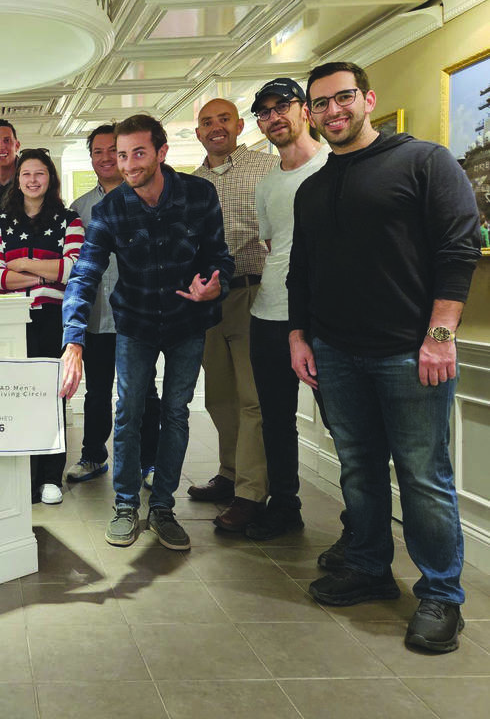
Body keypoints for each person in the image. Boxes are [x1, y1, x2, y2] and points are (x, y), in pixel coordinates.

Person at [290, 61, 481, 653]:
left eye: (342, 98)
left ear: (368, 98)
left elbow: (459, 246)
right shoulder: (314, 186)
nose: (333, 111)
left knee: (424, 477)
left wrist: (441, 334)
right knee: (359, 469)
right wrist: (299, 336)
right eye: (320, 104)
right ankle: (370, 567)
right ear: (311, 115)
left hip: (410, 352)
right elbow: (304, 271)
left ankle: (442, 595)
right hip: (336, 353)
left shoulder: (425, 161)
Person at [61, 114, 233, 550]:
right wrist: (74, 340)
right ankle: (124, 505)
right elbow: (83, 275)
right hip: (134, 325)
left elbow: (219, 256)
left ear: (161, 152)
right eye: (122, 155)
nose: (129, 163)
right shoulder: (110, 210)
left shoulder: (199, 195)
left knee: (175, 412)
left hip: (186, 324)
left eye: (139, 152)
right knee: (128, 410)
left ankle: (162, 508)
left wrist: (215, 283)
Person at [244, 78, 329, 540]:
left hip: (323, 321)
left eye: (282, 107)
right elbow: (276, 245)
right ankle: (285, 505)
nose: (274, 117)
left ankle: (360, 526)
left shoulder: (334, 165)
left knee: (343, 423)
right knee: (276, 420)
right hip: (269, 314)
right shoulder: (269, 183)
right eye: (264, 112)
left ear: (304, 111)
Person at [188, 98, 278, 532]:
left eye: (223, 119)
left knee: (251, 398)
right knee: (219, 396)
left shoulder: (267, 168)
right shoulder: (192, 182)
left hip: (252, 294)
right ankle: (227, 474)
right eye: (207, 122)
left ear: (239, 125)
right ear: (198, 132)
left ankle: (250, 491)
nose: (215, 127)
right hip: (208, 302)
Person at [0, 148, 84, 505]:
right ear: (18, 179)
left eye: (39, 173)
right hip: (12, 321)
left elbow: (74, 270)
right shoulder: (0, 223)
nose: (32, 180)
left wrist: (23, 264)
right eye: (26, 174)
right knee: (16, 399)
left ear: (50, 178)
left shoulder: (69, 221)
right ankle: (24, 476)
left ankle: (50, 477)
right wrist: (44, 271)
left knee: (50, 398)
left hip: (53, 321)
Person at [66, 124, 160, 489]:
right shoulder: (79, 208)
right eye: (97, 152)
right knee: (97, 391)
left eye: (112, 151)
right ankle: (93, 456)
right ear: (90, 158)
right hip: (95, 318)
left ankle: (149, 461)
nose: (105, 158)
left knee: (143, 391)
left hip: (137, 317)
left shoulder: (145, 199)